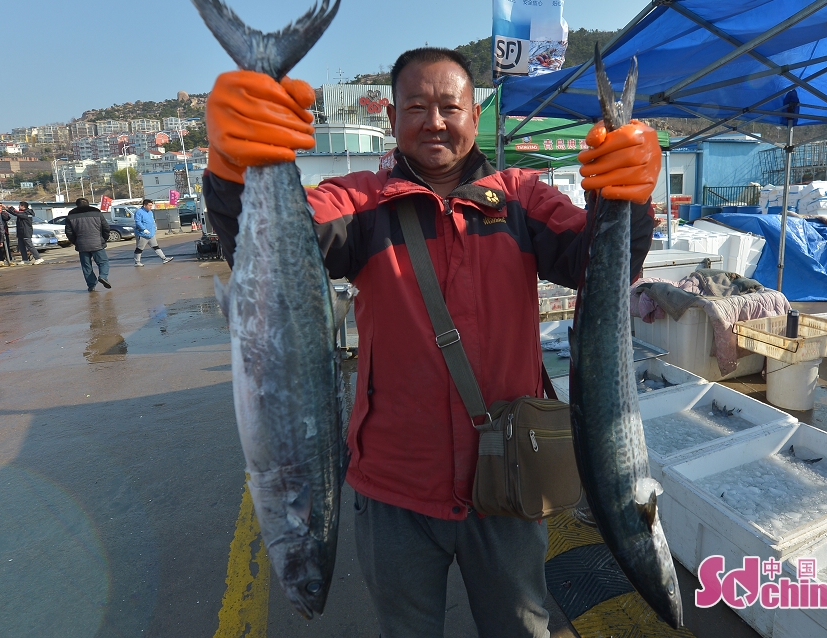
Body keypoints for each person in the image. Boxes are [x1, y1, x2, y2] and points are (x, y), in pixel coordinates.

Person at [203, 47, 658, 638]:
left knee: (522, 626)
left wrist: (628, 196)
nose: (435, 121)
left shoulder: (521, 197)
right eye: (417, 106)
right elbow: (271, 245)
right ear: (393, 117)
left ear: (474, 114)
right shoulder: (358, 200)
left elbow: (594, 258)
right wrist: (232, 168)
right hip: (394, 490)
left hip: (509, 484)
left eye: (450, 106)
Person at [64, 197, 112, 292]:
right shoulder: (97, 213)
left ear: (76, 205)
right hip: (97, 243)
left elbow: (69, 232)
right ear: (88, 203)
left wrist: (75, 242)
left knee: (86, 266)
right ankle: (103, 276)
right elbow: (106, 228)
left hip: (82, 245)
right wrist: (104, 239)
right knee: (103, 262)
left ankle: (91, 285)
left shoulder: (71, 216)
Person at [133, 199, 173, 266]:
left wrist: (155, 227)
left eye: (151, 205)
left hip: (151, 234)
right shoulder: (139, 212)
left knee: (156, 246)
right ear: (144, 205)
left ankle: (164, 258)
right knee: (139, 248)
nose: (151, 207)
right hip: (142, 234)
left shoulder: (150, 212)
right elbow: (138, 222)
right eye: (149, 205)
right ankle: (137, 262)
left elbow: (152, 221)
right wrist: (143, 229)